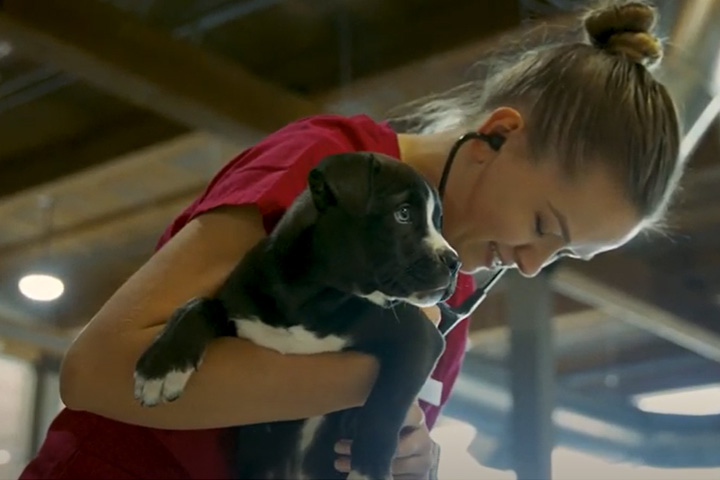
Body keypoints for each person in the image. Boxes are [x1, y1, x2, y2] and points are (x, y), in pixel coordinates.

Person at [19, 1, 684, 479]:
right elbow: (97, 372)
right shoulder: (328, 166)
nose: (534, 266)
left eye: (564, 255)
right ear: (501, 133)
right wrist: (377, 380)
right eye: (545, 227)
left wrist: (414, 461)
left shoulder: (450, 284)